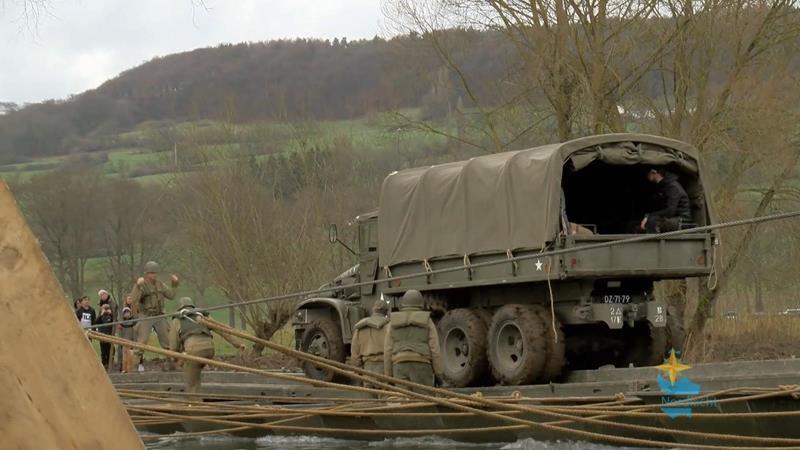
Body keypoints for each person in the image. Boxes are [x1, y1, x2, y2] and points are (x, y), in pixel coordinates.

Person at [168, 297, 246, 393]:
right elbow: (222, 330)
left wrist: (175, 359)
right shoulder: (201, 316)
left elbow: (173, 345)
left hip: (193, 351)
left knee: (192, 384)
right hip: (209, 350)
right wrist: (238, 344)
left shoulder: (177, 320)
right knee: (195, 372)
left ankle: (195, 405)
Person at [383, 290, 443, 389]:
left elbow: (388, 350)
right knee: (424, 401)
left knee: (404, 402)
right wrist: (439, 373)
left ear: (403, 304)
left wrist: (388, 376)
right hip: (422, 365)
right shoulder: (427, 321)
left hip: (399, 365)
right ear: (420, 303)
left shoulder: (392, 322)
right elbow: (435, 349)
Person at [130, 260, 179, 372]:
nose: (154, 275)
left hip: (159, 316)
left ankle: (172, 364)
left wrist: (174, 284)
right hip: (146, 316)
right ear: (146, 273)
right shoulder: (142, 285)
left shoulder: (160, 284)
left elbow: (171, 295)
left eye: (155, 273)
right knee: (141, 343)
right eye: (151, 273)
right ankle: (134, 367)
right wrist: (137, 286)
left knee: (167, 342)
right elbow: (133, 299)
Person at [639, 167, 692, 233]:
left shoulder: (673, 187)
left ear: (654, 172)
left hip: (681, 220)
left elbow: (670, 211)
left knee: (652, 221)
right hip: (671, 219)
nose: (646, 175)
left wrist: (649, 216)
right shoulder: (662, 186)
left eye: (648, 172)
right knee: (634, 224)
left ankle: (653, 243)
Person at [350, 297, 390, 380]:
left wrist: (360, 373)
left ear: (373, 309)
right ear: (386, 311)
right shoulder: (389, 326)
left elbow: (355, 354)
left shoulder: (360, 328)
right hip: (383, 369)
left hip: (367, 370)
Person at [118, 305, 137, 373]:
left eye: (128, 312)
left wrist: (134, 341)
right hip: (124, 341)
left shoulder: (133, 322)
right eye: (125, 312)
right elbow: (120, 333)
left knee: (131, 355)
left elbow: (134, 332)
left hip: (131, 341)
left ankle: (131, 368)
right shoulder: (121, 323)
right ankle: (124, 368)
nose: (127, 314)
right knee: (124, 356)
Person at [96, 304, 115, 370]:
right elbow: (96, 322)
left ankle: (110, 364)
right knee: (103, 352)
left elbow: (114, 321)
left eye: (107, 309)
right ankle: (104, 365)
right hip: (102, 337)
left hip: (109, 336)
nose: (106, 310)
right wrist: (101, 314)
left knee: (110, 351)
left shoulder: (110, 316)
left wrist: (111, 314)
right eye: (105, 309)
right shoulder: (100, 316)